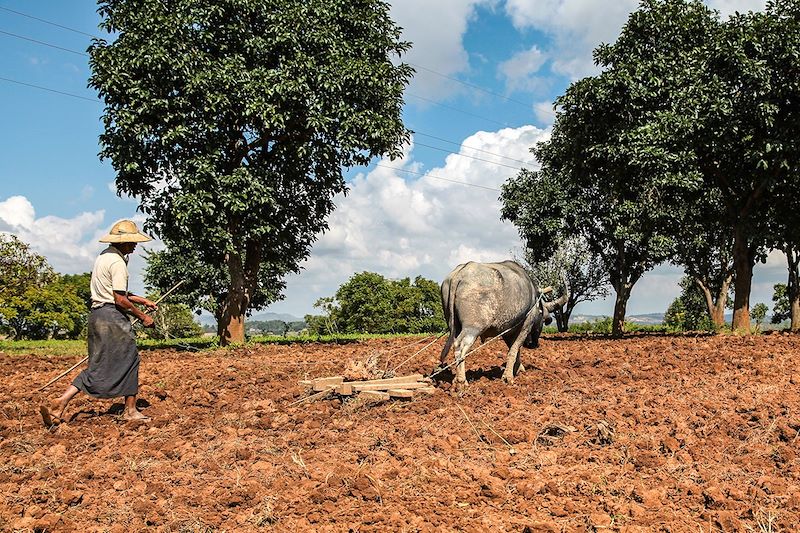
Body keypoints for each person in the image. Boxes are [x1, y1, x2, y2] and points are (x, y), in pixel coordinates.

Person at [40, 220, 158, 427]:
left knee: (97, 365)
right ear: (123, 242)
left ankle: (61, 402)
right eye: (132, 241)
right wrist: (143, 316)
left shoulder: (104, 257)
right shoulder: (118, 263)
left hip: (97, 316)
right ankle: (130, 411)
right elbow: (120, 299)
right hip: (112, 318)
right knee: (130, 359)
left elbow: (114, 292)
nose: (135, 245)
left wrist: (142, 300)